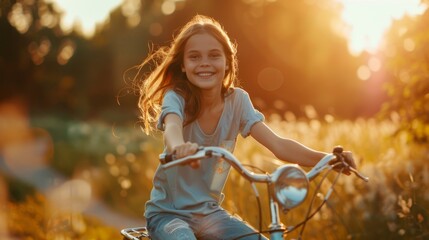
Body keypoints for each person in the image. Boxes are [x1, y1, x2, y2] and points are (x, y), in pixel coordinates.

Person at [133, 14, 357, 240]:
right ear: (182, 65)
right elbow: (172, 127)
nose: (204, 63)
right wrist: (179, 147)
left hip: (210, 215)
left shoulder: (238, 101)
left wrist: (329, 159)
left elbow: (279, 146)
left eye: (214, 56)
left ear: (227, 62)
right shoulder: (177, 97)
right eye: (194, 57)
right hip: (169, 215)